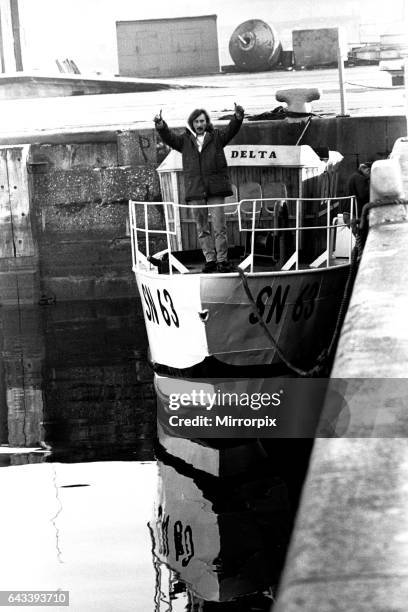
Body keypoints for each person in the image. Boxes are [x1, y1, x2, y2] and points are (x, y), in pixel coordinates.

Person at [154, 104, 245, 273]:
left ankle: (222, 260)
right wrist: (161, 125)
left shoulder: (217, 137)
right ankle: (210, 259)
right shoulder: (184, 141)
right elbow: (169, 138)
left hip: (216, 189)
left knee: (219, 226)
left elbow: (231, 130)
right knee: (202, 227)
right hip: (196, 189)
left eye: (202, 121)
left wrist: (238, 117)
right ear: (192, 123)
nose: (199, 124)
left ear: (206, 122)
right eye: (196, 121)